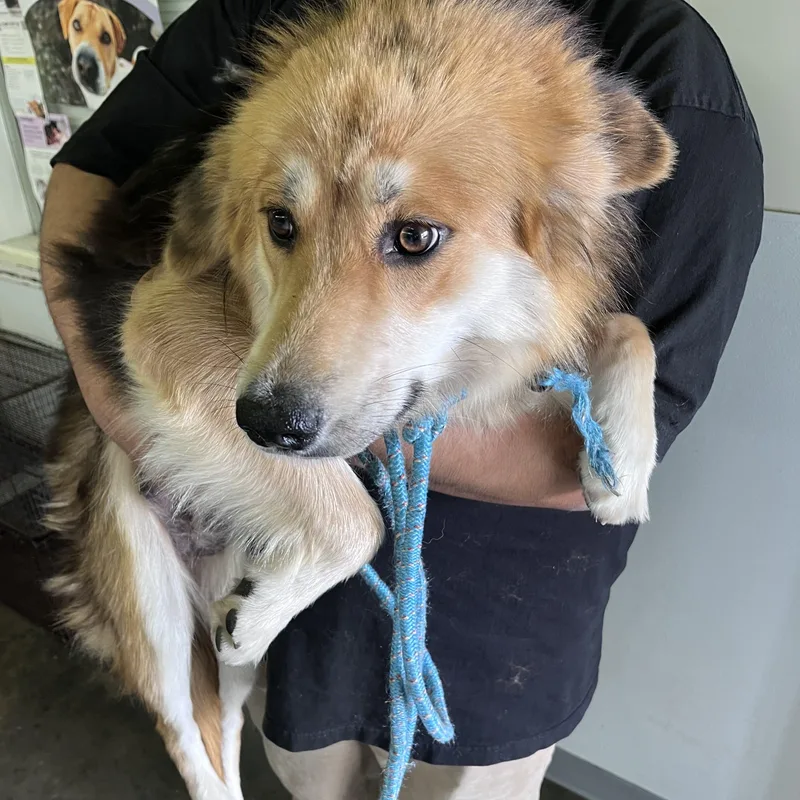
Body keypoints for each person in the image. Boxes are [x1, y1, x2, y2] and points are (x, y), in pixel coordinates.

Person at [40, 0, 764, 797]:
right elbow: (98, 175)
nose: (298, 356)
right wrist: (130, 398)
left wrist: (621, 347)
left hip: (490, 651)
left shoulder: (675, 72)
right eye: (286, 222)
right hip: (299, 623)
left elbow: (598, 447)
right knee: (280, 765)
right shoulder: (263, 16)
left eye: (412, 237)